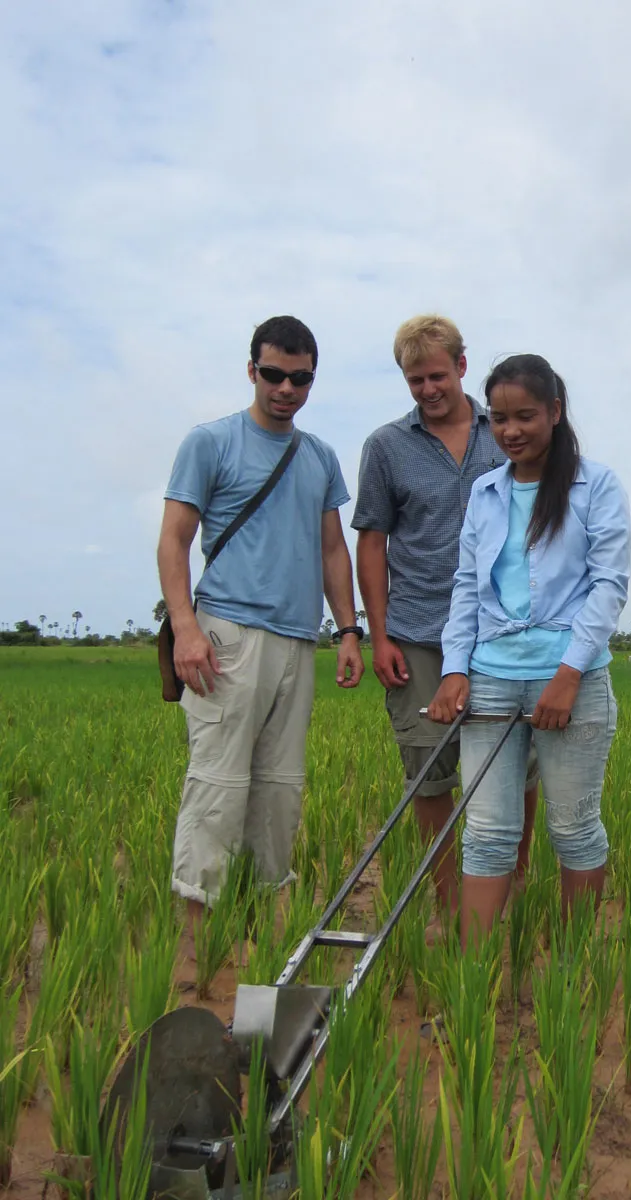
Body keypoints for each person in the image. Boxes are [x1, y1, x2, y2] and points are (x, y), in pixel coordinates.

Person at [159, 315, 364, 957]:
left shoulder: (320, 458)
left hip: (298, 640)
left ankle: (266, 920)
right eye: (273, 374)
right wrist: (186, 629)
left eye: (299, 379)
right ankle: (195, 937)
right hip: (227, 635)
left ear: (311, 380)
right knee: (218, 782)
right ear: (252, 369)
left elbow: (334, 549)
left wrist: (349, 630)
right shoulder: (211, 442)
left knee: (280, 788)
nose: (285, 389)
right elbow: (174, 539)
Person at [427, 353, 630, 947]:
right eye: (498, 419)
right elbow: (467, 587)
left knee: (572, 828)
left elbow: (608, 584)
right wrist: (454, 670)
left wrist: (568, 675)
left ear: (556, 412)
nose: (511, 431)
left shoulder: (597, 485)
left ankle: (575, 970)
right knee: (487, 832)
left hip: (572, 679)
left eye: (525, 416)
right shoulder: (486, 493)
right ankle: (475, 980)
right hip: (491, 678)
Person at [353, 316, 539, 933]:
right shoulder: (386, 447)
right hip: (418, 632)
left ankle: (512, 883)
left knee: (520, 764)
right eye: (415, 380)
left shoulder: (506, 433)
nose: (428, 389)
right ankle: (449, 898)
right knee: (428, 771)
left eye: (437, 374)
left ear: (462, 366)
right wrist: (378, 636)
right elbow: (372, 542)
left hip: (506, 632)